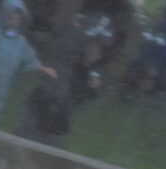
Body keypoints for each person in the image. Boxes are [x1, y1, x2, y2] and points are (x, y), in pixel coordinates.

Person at [17, 14, 114, 147]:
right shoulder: (69, 58)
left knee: (49, 156)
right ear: (85, 44)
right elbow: (55, 86)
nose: (95, 52)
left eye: (99, 49)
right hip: (39, 110)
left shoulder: (95, 71)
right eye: (92, 46)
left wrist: (94, 88)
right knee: (23, 145)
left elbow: (88, 95)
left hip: (60, 121)